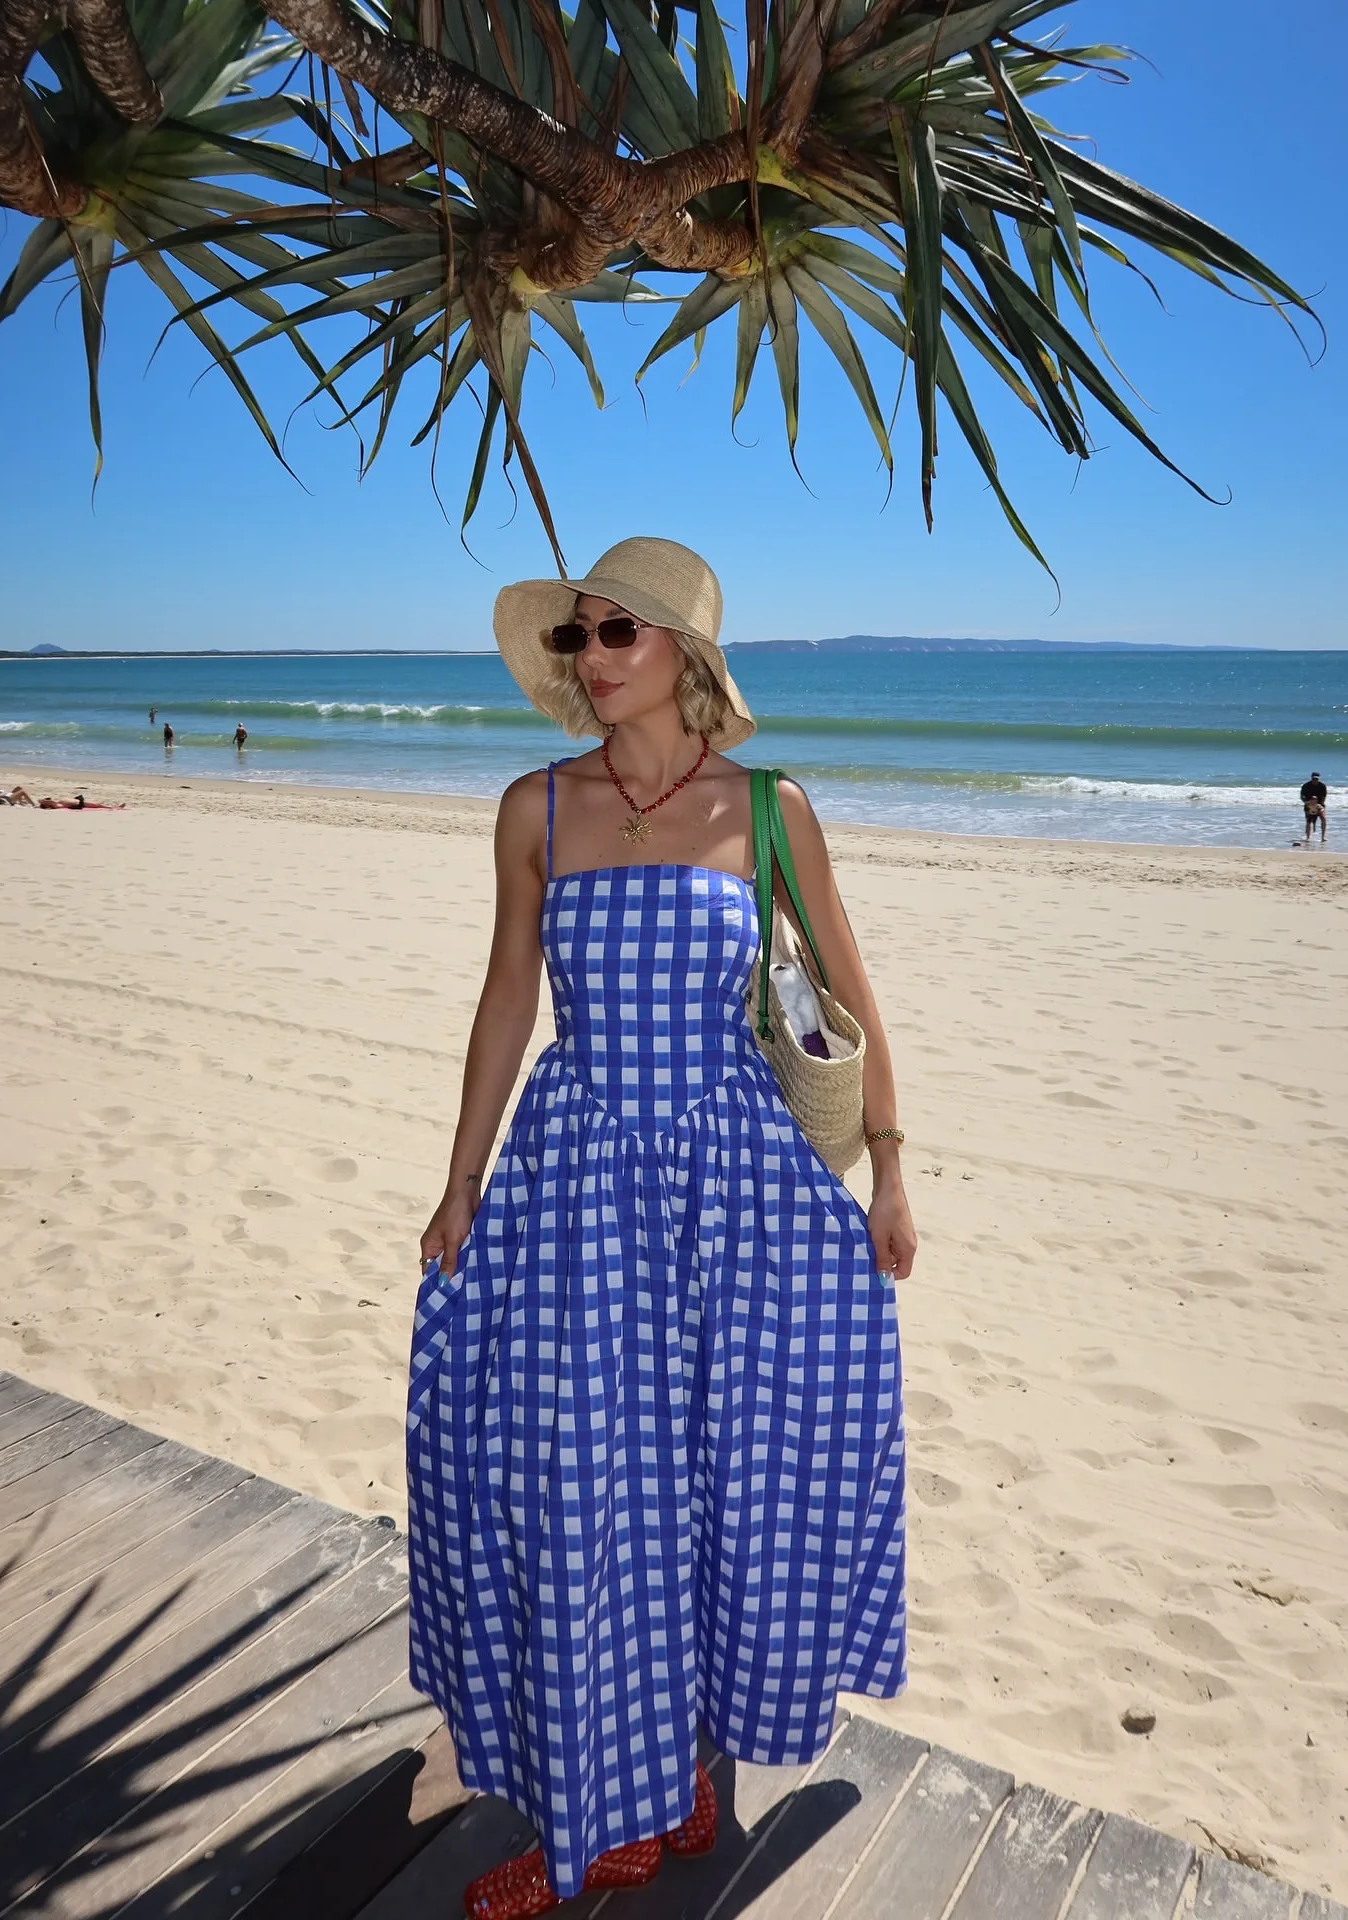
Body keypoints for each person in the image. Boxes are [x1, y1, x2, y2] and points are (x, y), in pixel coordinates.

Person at [411, 538, 915, 1919]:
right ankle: (603, 1816)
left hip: (739, 1188)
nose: (591, 656)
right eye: (576, 637)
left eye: (615, 630)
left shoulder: (769, 811)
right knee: (586, 1489)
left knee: (716, 1483)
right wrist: (460, 1180)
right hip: (574, 1186)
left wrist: (889, 1166)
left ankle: (683, 1784)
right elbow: (507, 998)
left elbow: (852, 994)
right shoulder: (535, 809)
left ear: (685, 656)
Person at [1300, 771, 1328, 845]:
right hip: (1309, 804)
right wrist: (1306, 802)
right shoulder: (1306, 786)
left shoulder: (1322, 786)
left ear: (1319, 779)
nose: (1315, 780)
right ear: (1311, 778)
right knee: (1308, 821)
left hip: (1319, 804)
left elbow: (1323, 797)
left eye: (1317, 779)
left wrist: (1320, 805)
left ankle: (1323, 837)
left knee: (1323, 818)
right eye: (1314, 778)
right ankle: (1308, 837)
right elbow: (1302, 796)